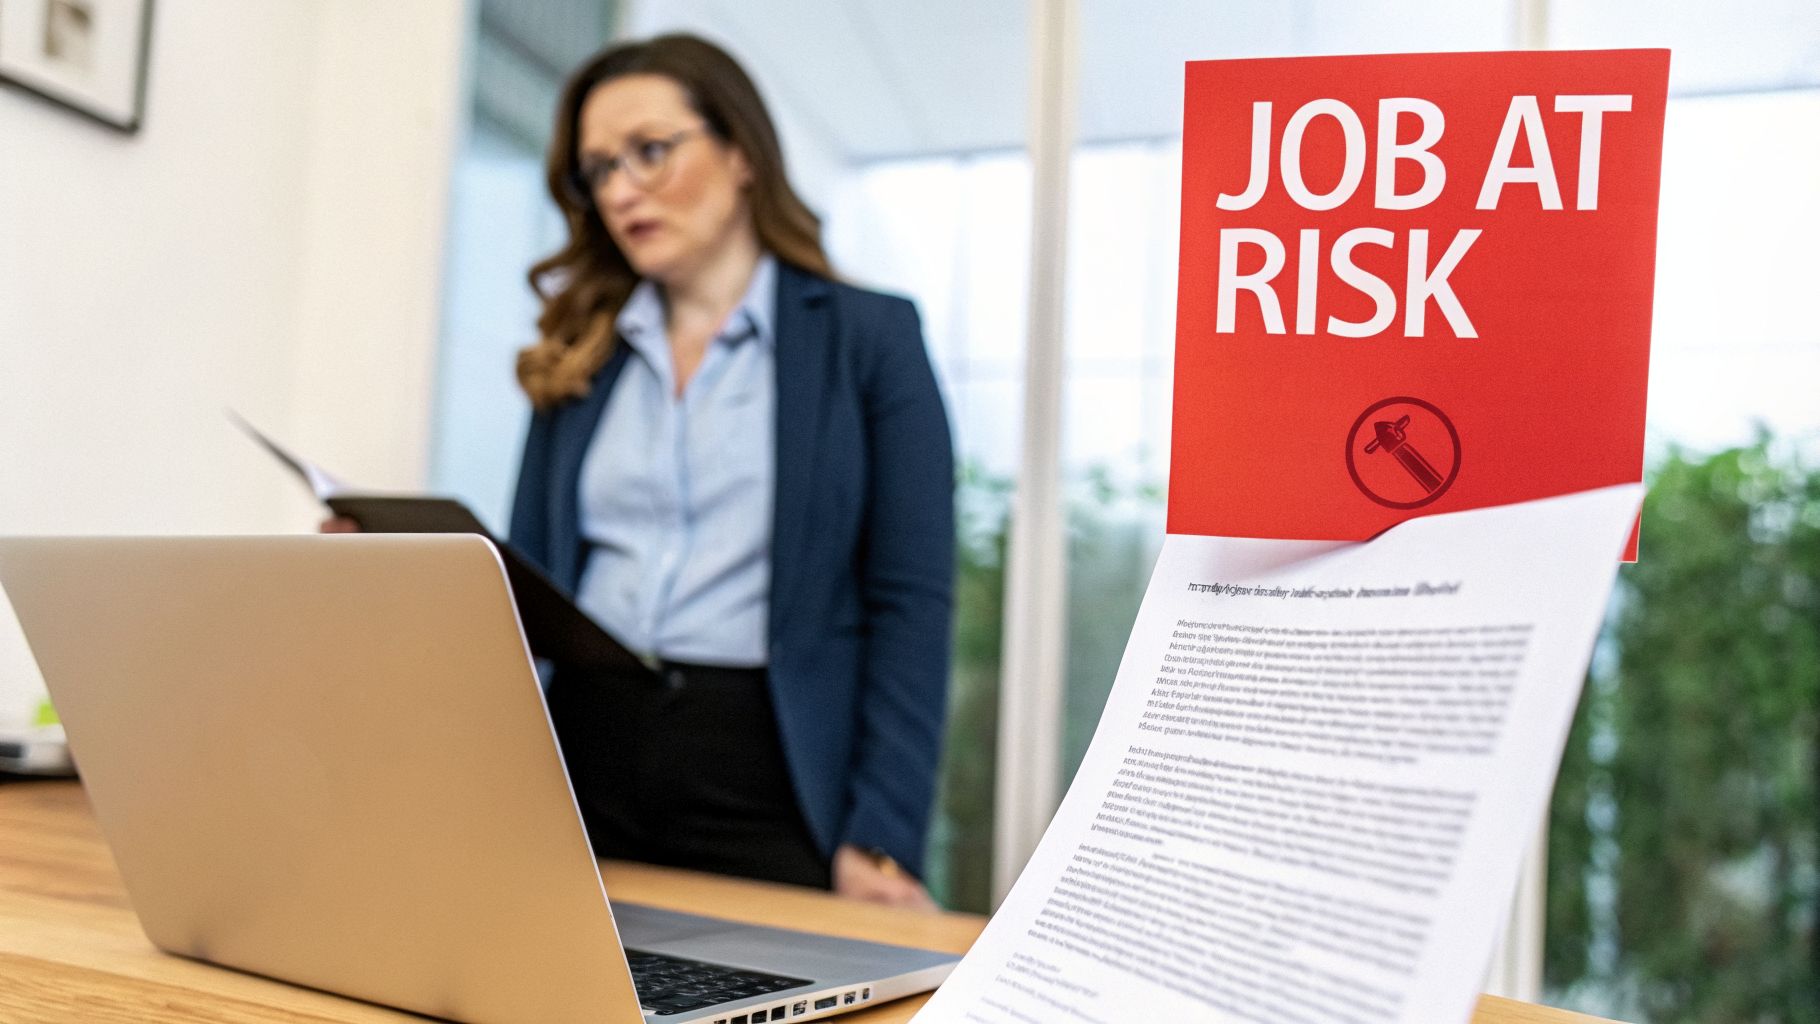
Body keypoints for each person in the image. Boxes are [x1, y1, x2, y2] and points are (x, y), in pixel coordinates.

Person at [507, 34, 954, 908]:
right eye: (599, 170)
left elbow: (913, 600)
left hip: (772, 771)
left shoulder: (870, 340)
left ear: (742, 151)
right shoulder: (577, 354)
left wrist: (883, 836)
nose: (623, 189)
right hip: (580, 763)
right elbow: (523, 582)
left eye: (650, 151)